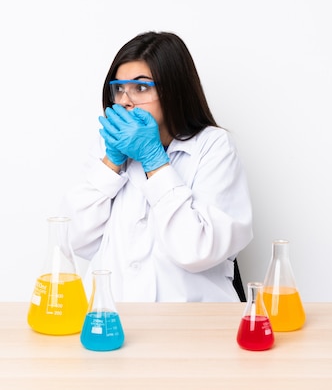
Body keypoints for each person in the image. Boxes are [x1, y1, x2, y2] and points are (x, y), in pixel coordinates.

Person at [61, 31, 253, 302]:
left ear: (174, 91)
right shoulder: (107, 146)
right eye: (119, 88)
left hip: (193, 325)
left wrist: (154, 160)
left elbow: (198, 250)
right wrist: (111, 163)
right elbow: (75, 240)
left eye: (140, 88)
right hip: (112, 318)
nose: (126, 100)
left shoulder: (214, 146)